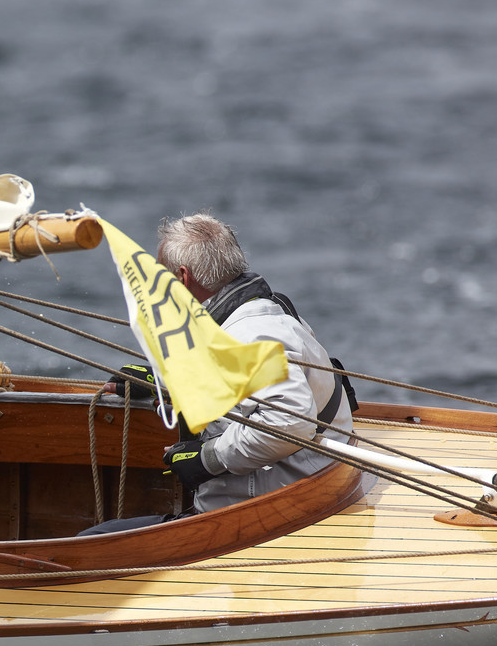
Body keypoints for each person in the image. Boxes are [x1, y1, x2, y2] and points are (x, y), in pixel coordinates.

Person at [84, 213, 352, 532]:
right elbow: (245, 391)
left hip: (272, 510)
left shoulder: (252, 334)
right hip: (307, 489)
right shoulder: (259, 311)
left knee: (90, 540)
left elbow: (289, 422)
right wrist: (168, 384)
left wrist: (206, 459)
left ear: (182, 278)